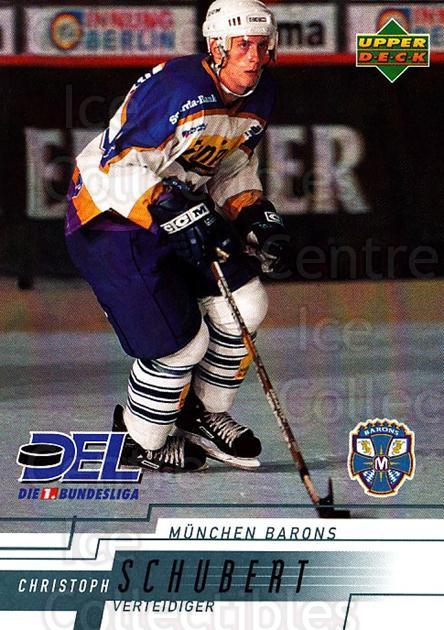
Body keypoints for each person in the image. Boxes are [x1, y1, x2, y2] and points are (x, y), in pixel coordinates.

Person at [65, 0, 289, 473]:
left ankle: (202, 414)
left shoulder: (260, 95)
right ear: (216, 47)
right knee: (181, 343)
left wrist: (252, 213)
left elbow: (227, 164)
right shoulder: (177, 89)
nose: (253, 57)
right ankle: (138, 440)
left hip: (178, 205)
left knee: (245, 304)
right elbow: (113, 166)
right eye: (242, 45)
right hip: (111, 218)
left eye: (261, 45)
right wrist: (170, 207)